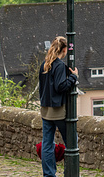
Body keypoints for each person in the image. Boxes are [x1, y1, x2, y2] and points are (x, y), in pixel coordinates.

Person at [39, 36, 78, 177]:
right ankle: (71, 172)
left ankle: (49, 174)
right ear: (64, 49)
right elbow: (60, 86)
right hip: (58, 111)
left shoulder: (45, 63)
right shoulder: (60, 65)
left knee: (47, 144)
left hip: (45, 110)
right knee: (72, 141)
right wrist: (73, 77)